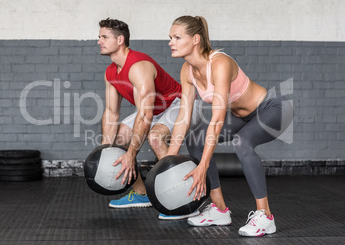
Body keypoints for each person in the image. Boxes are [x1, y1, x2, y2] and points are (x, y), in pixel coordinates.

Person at [166, 15, 293, 236]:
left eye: (177, 37)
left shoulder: (219, 63)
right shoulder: (187, 71)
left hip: (272, 109)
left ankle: (266, 216)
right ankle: (220, 210)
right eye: (170, 37)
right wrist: (168, 161)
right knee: (194, 139)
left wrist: (203, 164)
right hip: (242, 116)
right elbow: (183, 118)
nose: (170, 42)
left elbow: (217, 119)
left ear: (196, 39)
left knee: (242, 142)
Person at [98, 18, 202, 219]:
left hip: (181, 104)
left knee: (155, 137)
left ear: (120, 40)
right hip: (156, 112)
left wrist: (131, 154)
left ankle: (184, 198)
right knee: (117, 140)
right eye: (99, 37)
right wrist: (105, 150)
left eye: (104, 37)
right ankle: (141, 193)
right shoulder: (110, 72)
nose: (99, 41)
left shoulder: (138, 65)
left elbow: (145, 114)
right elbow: (111, 113)